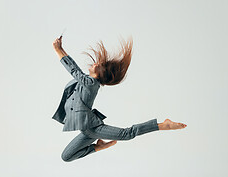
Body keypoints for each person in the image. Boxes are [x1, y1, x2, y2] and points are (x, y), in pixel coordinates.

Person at [52, 35, 187, 162]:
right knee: (66, 157)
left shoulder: (91, 84)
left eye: (98, 66)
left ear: (100, 74)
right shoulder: (86, 81)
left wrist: (59, 50)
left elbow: (74, 71)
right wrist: (61, 49)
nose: (94, 64)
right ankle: (98, 146)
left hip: (92, 128)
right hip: (87, 132)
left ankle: (163, 125)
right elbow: (77, 73)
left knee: (127, 134)